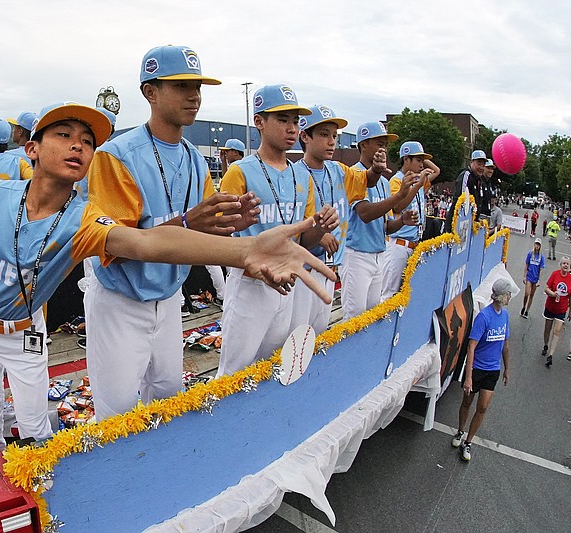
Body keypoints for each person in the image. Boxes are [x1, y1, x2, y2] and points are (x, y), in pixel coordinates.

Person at [0, 101, 334, 450]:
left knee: (35, 428)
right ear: (31, 148)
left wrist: (245, 250)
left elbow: (144, 244)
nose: (77, 145)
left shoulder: (82, 220)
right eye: (64, 135)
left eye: (87, 142)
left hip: (24, 332)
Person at [86, 45, 261, 420]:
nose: (194, 95)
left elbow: (207, 231)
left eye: (197, 86)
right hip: (121, 301)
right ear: (150, 92)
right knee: (115, 412)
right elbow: (117, 244)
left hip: (169, 298)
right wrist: (187, 224)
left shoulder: (195, 158)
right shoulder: (115, 156)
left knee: (167, 398)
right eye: (181, 85)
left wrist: (231, 225)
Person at [216, 84, 338, 377]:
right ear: (259, 121)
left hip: (288, 284)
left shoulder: (301, 173)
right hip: (250, 284)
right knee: (233, 373)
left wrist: (318, 227)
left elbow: (304, 240)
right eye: (282, 119)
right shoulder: (240, 171)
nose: (291, 128)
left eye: (295, 121)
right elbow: (219, 236)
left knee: (273, 368)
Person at [292, 109, 390, 328]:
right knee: (297, 336)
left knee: (319, 334)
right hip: (302, 271)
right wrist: (317, 235)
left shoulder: (338, 170)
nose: (331, 142)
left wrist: (375, 169)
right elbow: (290, 221)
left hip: (331, 267)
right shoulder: (294, 173)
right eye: (324, 134)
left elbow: (367, 180)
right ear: (305, 136)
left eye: (335, 136)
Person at [342, 121, 418, 319]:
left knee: (373, 317)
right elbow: (365, 214)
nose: (383, 148)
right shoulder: (354, 174)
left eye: (385, 144)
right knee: (354, 319)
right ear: (363, 144)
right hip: (356, 255)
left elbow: (385, 226)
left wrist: (402, 221)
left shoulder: (383, 182)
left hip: (379, 254)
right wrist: (399, 196)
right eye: (378, 143)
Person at [451, 278, 512, 462]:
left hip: (493, 370)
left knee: (483, 407)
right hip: (477, 368)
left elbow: (505, 344)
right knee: (467, 402)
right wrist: (468, 377)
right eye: (508, 294)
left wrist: (507, 368)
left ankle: (468, 441)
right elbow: (471, 346)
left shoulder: (506, 316)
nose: (510, 297)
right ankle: (460, 431)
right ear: (501, 296)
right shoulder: (484, 317)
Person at [381, 141, 440, 301]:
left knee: (407, 294)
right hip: (398, 244)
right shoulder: (396, 180)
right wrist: (418, 183)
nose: (422, 164)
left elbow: (436, 170)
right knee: (389, 294)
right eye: (418, 160)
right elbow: (398, 207)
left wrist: (422, 157)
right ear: (406, 159)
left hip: (414, 244)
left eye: (422, 160)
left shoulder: (419, 179)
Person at [542, 256, 571, 367]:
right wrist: (552, 293)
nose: (566, 265)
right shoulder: (555, 274)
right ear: (560, 265)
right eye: (564, 263)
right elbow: (546, 288)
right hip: (551, 306)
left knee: (557, 331)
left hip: (561, 309)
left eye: (567, 264)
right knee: (548, 329)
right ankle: (546, 345)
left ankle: (550, 355)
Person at [521, 238, 546, 318]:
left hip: (535, 278)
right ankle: (524, 306)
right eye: (536, 244)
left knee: (531, 295)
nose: (537, 246)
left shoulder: (541, 257)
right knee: (527, 293)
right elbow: (526, 265)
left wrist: (539, 280)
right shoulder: (530, 254)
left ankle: (527, 311)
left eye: (538, 245)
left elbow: (541, 269)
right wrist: (524, 276)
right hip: (529, 277)